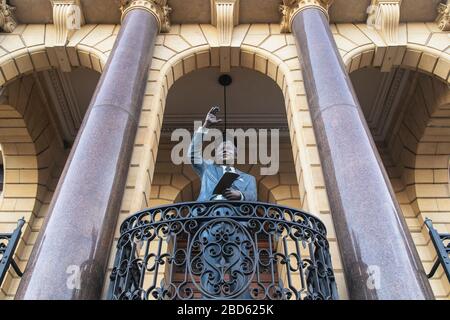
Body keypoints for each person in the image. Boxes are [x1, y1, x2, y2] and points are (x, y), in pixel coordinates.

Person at [188, 106, 257, 202]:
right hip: (207, 214)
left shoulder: (249, 179)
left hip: (235, 215)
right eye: (221, 148)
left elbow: (253, 198)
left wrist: (240, 195)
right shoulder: (207, 168)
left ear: (236, 154)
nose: (225, 150)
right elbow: (193, 155)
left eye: (228, 148)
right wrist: (206, 126)